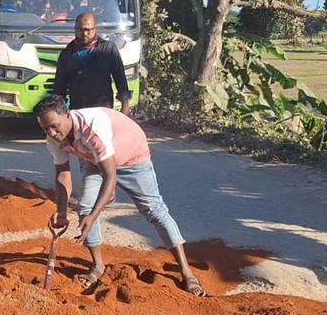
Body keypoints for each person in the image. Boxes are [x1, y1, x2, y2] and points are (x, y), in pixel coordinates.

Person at [33, 95, 205, 297]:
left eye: (54, 126)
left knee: (154, 211)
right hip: (95, 159)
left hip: (132, 158)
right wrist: (61, 212)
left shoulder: (92, 129)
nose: (52, 133)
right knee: (85, 207)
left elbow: (110, 175)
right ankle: (98, 266)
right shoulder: (54, 139)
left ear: (67, 115)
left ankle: (187, 273)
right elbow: (63, 174)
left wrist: (94, 215)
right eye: (45, 129)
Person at [53, 12, 132, 115]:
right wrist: (60, 111)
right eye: (81, 30)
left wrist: (125, 105)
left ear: (95, 29)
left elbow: (120, 77)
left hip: (103, 110)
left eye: (88, 30)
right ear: (75, 29)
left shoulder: (107, 49)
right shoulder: (67, 54)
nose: (84, 34)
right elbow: (59, 87)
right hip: (78, 111)